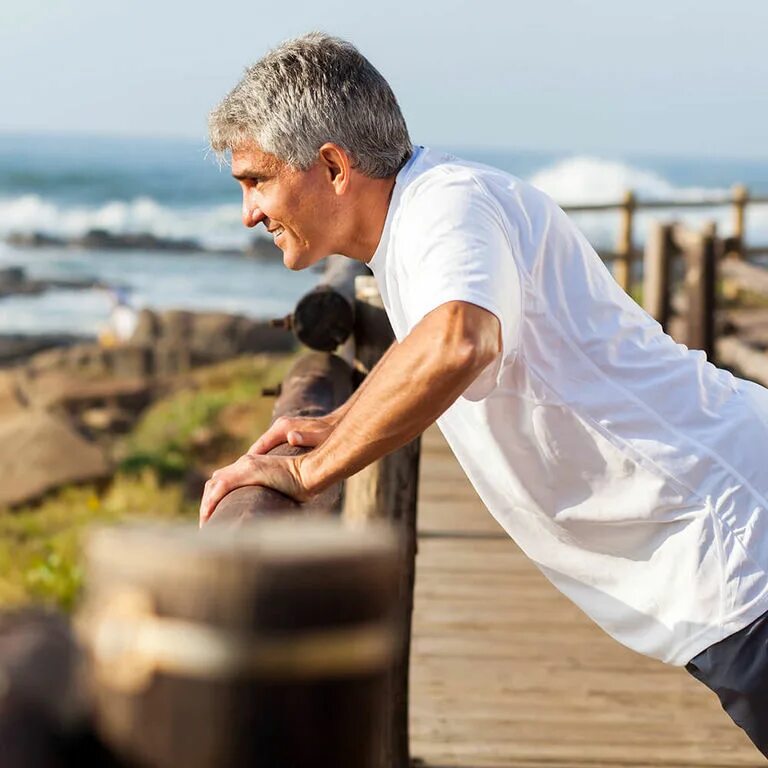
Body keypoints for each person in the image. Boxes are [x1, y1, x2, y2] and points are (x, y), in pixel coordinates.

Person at [203, 32, 768, 756]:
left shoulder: (445, 206)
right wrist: (339, 421)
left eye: (256, 180)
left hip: (736, 544)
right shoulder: (419, 224)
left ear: (334, 166)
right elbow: (439, 344)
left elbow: (460, 341)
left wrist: (310, 472)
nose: (249, 212)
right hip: (720, 560)